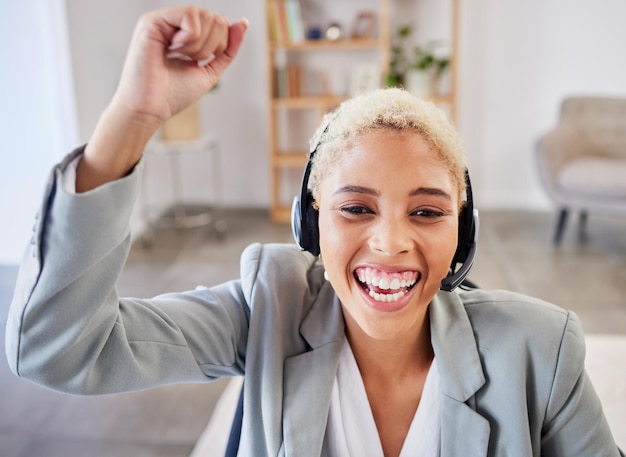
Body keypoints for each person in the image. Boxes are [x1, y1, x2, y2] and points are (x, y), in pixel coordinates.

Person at [5, 6, 623, 457]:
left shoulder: (542, 347)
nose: (390, 242)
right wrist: (133, 119)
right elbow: (56, 350)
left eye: (428, 211)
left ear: (463, 232)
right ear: (310, 223)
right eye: (355, 208)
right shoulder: (266, 307)